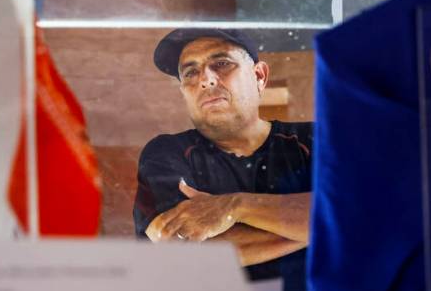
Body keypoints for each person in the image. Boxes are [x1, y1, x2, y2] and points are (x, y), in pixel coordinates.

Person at [133, 28, 312, 267]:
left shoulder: (318, 140)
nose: (206, 79)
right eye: (190, 72)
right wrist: (320, 229)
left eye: (222, 63)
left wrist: (235, 206)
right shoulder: (167, 154)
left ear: (259, 76)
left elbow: (369, 214)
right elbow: (188, 250)